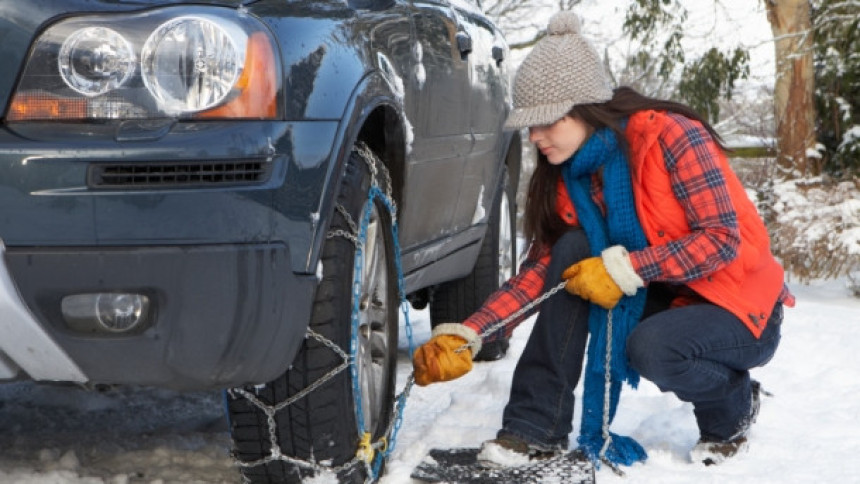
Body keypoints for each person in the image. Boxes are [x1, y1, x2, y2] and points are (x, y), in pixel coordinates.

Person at [411, 10, 794, 469]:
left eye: (545, 122)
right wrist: (471, 332)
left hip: (738, 308)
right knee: (572, 253)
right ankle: (535, 426)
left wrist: (628, 268)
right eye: (530, 125)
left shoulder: (671, 137)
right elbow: (543, 273)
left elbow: (720, 241)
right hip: (666, 297)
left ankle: (733, 406)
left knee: (652, 347)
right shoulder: (570, 175)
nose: (534, 136)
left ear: (585, 111)